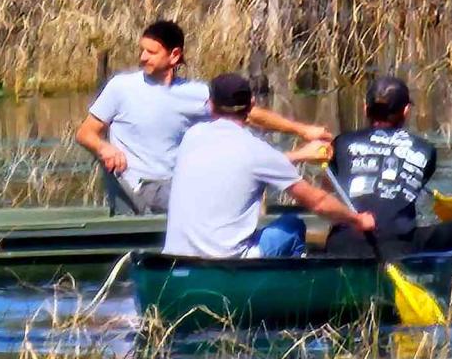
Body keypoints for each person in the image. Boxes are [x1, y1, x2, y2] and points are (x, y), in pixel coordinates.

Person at [75, 20, 333, 215]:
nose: (143, 57)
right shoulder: (121, 87)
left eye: (151, 52)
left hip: (175, 186)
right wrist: (104, 147)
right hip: (136, 187)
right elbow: (85, 133)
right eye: (142, 51)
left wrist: (303, 131)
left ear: (174, 55)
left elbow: (249, 113)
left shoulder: (194, 93)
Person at [163, 73, 374, 258]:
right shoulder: (258, 151)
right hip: (229, 262)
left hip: (176, 258)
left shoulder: (191, 136)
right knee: (292, 225)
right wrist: (357, 220)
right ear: (252, 104)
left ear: (210, 104)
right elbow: (318, 202)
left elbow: (240, 164)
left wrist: (300, 155)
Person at [325, 76, 452, 257]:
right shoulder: (425, 149)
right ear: (406, 111)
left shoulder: (341, 142)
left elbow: (330, 184)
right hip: (398, 245)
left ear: (365, 109)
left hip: (341, 243)